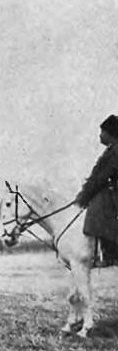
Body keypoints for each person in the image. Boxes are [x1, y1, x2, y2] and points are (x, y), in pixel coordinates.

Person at [75, 114, 118, 267]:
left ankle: (110, 254)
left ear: (110, 133)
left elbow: (100, 178)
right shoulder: (111, 150)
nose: (100, 135)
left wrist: (84, 196)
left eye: (102, 132)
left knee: (99, 203)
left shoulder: (115, 152)